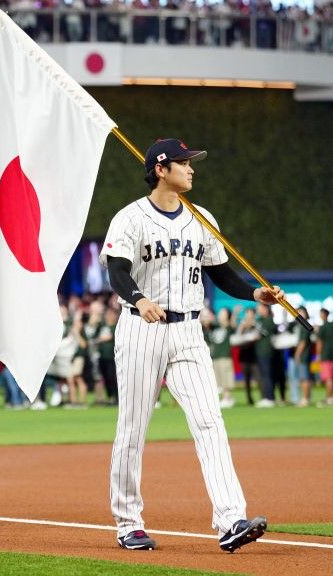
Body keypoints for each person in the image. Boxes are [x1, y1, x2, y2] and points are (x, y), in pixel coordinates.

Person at [100, 139, 278, 552]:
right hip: (142, 328)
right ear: (161, 169)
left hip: (188, 331)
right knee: (133, 428)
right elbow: (117, 270)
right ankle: (128, 521)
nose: (191, 168)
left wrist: (255, 295)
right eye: (183, 162)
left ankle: (231, 519)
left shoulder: (202, 218)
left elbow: (223, 275)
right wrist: (139, 299)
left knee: (210, 422)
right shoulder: (131, 218)